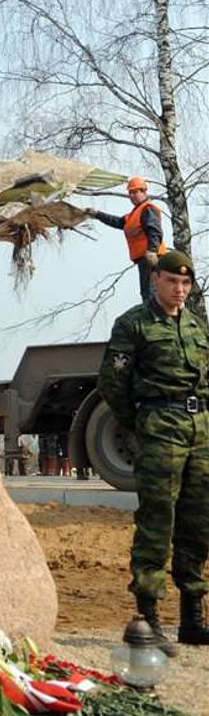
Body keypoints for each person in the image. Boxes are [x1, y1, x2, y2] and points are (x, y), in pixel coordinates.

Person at [97, 250, 209, 653]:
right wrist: (139, 423)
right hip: (160, 430)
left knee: (198, 524)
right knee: (157, 522)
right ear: (155, 280)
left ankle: (193, 619)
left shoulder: (197, 327)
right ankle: (149, 619)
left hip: (200, 432)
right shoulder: (134, 324)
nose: (179, 289)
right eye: (171, 282)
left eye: (185, 283)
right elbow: (112, 382)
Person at [86, 175, 166, 299]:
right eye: (130, 193)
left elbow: (154, 231)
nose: (132, 196)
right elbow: (117, 222)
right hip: (144, 259)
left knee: (153, 293)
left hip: (153, 258)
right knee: (147, 294)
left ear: (144, 191)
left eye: (135, 192)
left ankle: (158, 317)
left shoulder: (148, 209)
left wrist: (152, 250)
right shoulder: (133, 214)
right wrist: (97, 214)